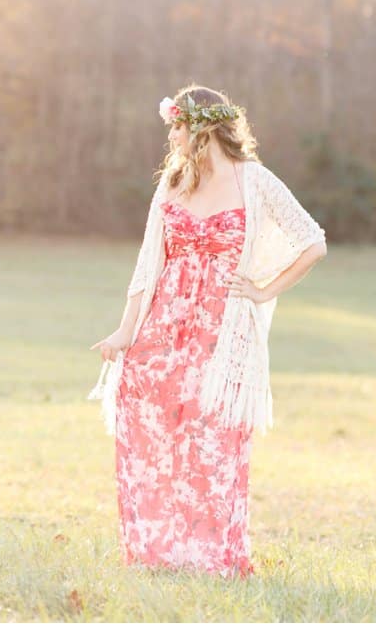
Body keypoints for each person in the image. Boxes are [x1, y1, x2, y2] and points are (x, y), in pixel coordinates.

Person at [87, 83, 328, 579]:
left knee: (214, 440)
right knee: (153, 424)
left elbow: (312, 242)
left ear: (201, 128)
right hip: (164, 326)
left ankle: (215, 557)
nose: (172, 135)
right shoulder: (173, 182)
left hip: (221, 332)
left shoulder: (254, 181)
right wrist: (123, 334)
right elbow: (147, 266)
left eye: (177, 125)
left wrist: (263, 291)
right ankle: (158, 551)